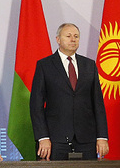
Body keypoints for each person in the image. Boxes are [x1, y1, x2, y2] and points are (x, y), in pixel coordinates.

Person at [29, 22, 109, 160]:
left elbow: (98, 103)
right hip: (55, 140)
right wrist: (43, 137)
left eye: (76, 36)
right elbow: (36, 105)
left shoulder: (89, 65)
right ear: (58, 39)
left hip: (86, 139)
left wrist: (102, 137)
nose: (73, 39)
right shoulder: (45, 65)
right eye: (68, 36)